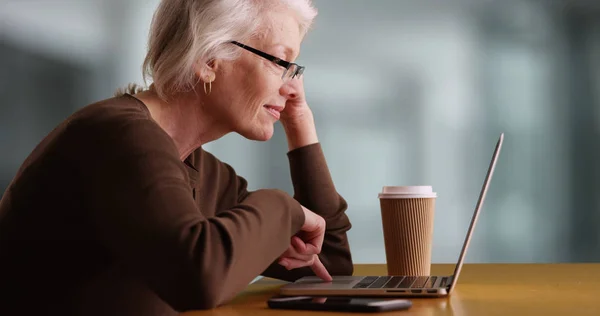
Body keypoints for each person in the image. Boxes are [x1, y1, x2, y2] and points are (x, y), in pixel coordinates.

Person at [0, 0, 353, 315]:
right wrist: (282, 208)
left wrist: (300, 121)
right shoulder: (117, 137)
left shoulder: (200, 169)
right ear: (208, 59)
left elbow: (328, 265)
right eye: (280, 62)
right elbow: (197, 277)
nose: (292, 88)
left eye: (295, 69)